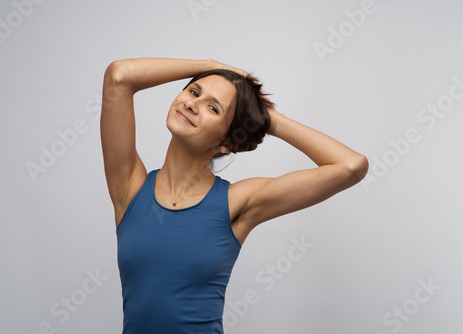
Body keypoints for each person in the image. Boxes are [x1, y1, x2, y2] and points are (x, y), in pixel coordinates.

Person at [100, 58, 369, 334]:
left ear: (227, 142)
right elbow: (119, 77)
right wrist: (208, 64)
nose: (192, 104)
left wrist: (268, 119)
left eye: (213, 107)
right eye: (194, 91)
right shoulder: (129, 188)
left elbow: (351, 166)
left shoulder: (235, 202)